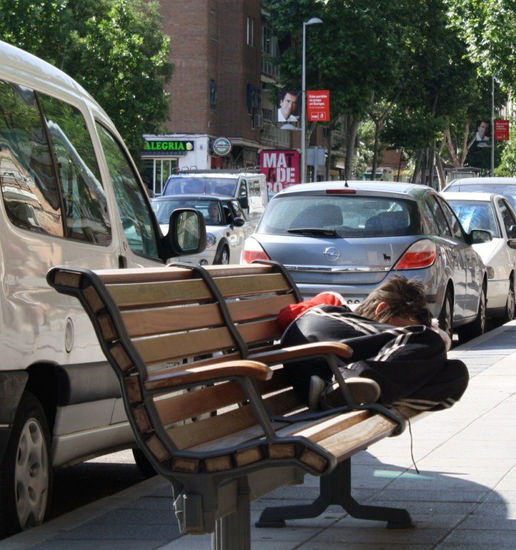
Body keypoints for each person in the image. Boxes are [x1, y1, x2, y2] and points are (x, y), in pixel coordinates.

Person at [278, 275, 468, 413]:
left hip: (333, 378)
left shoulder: (366, 346)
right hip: (317, 338)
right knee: (427, 339)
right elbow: (425, 339)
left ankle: (360, 394)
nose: (407, 345)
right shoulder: (340, 320)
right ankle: (345, 385)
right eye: (404, 327)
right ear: (381, 309)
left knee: (454, 373)